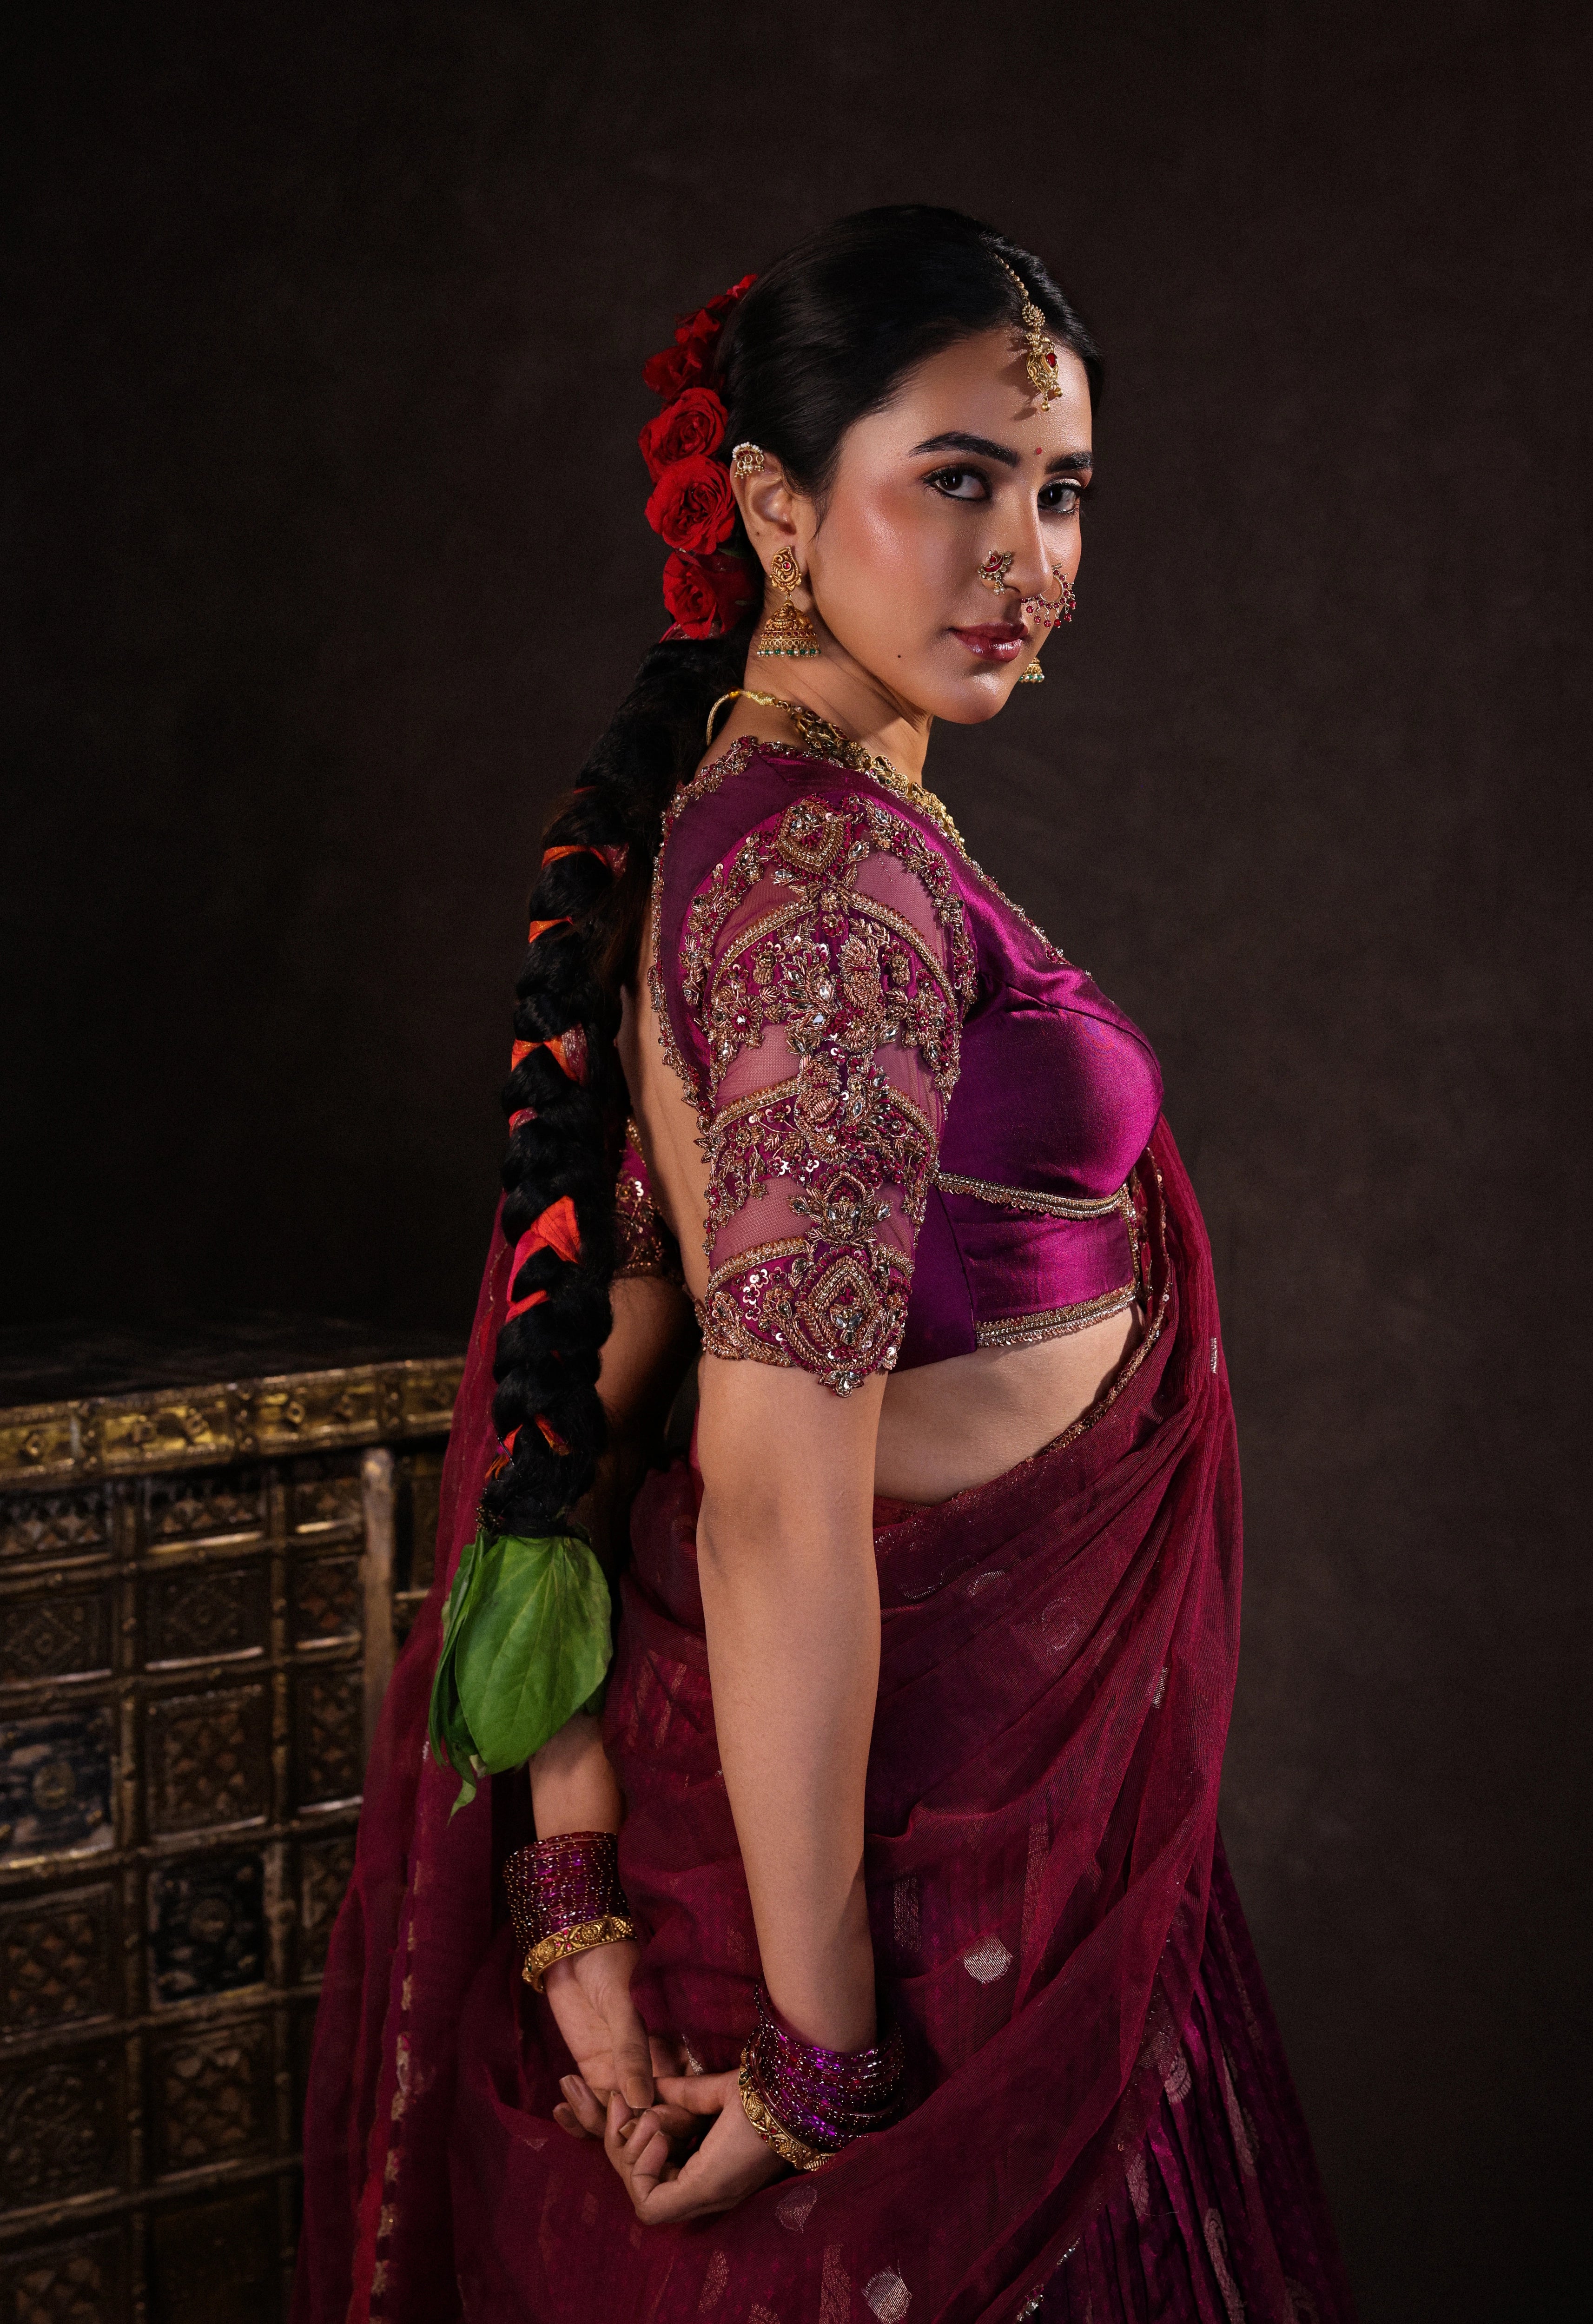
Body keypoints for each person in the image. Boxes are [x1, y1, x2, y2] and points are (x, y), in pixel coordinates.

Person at [296, 205, 1355, 2324]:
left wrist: (577, 1880)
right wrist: (827, 2048)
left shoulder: (776, 823)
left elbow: (585, 1402)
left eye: (1060, 491)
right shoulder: (826, 885)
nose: (1027, 555)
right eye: (956, 481)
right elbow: (775, 1494)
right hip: (887, 1860)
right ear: (775, 506)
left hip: (932, 1820)